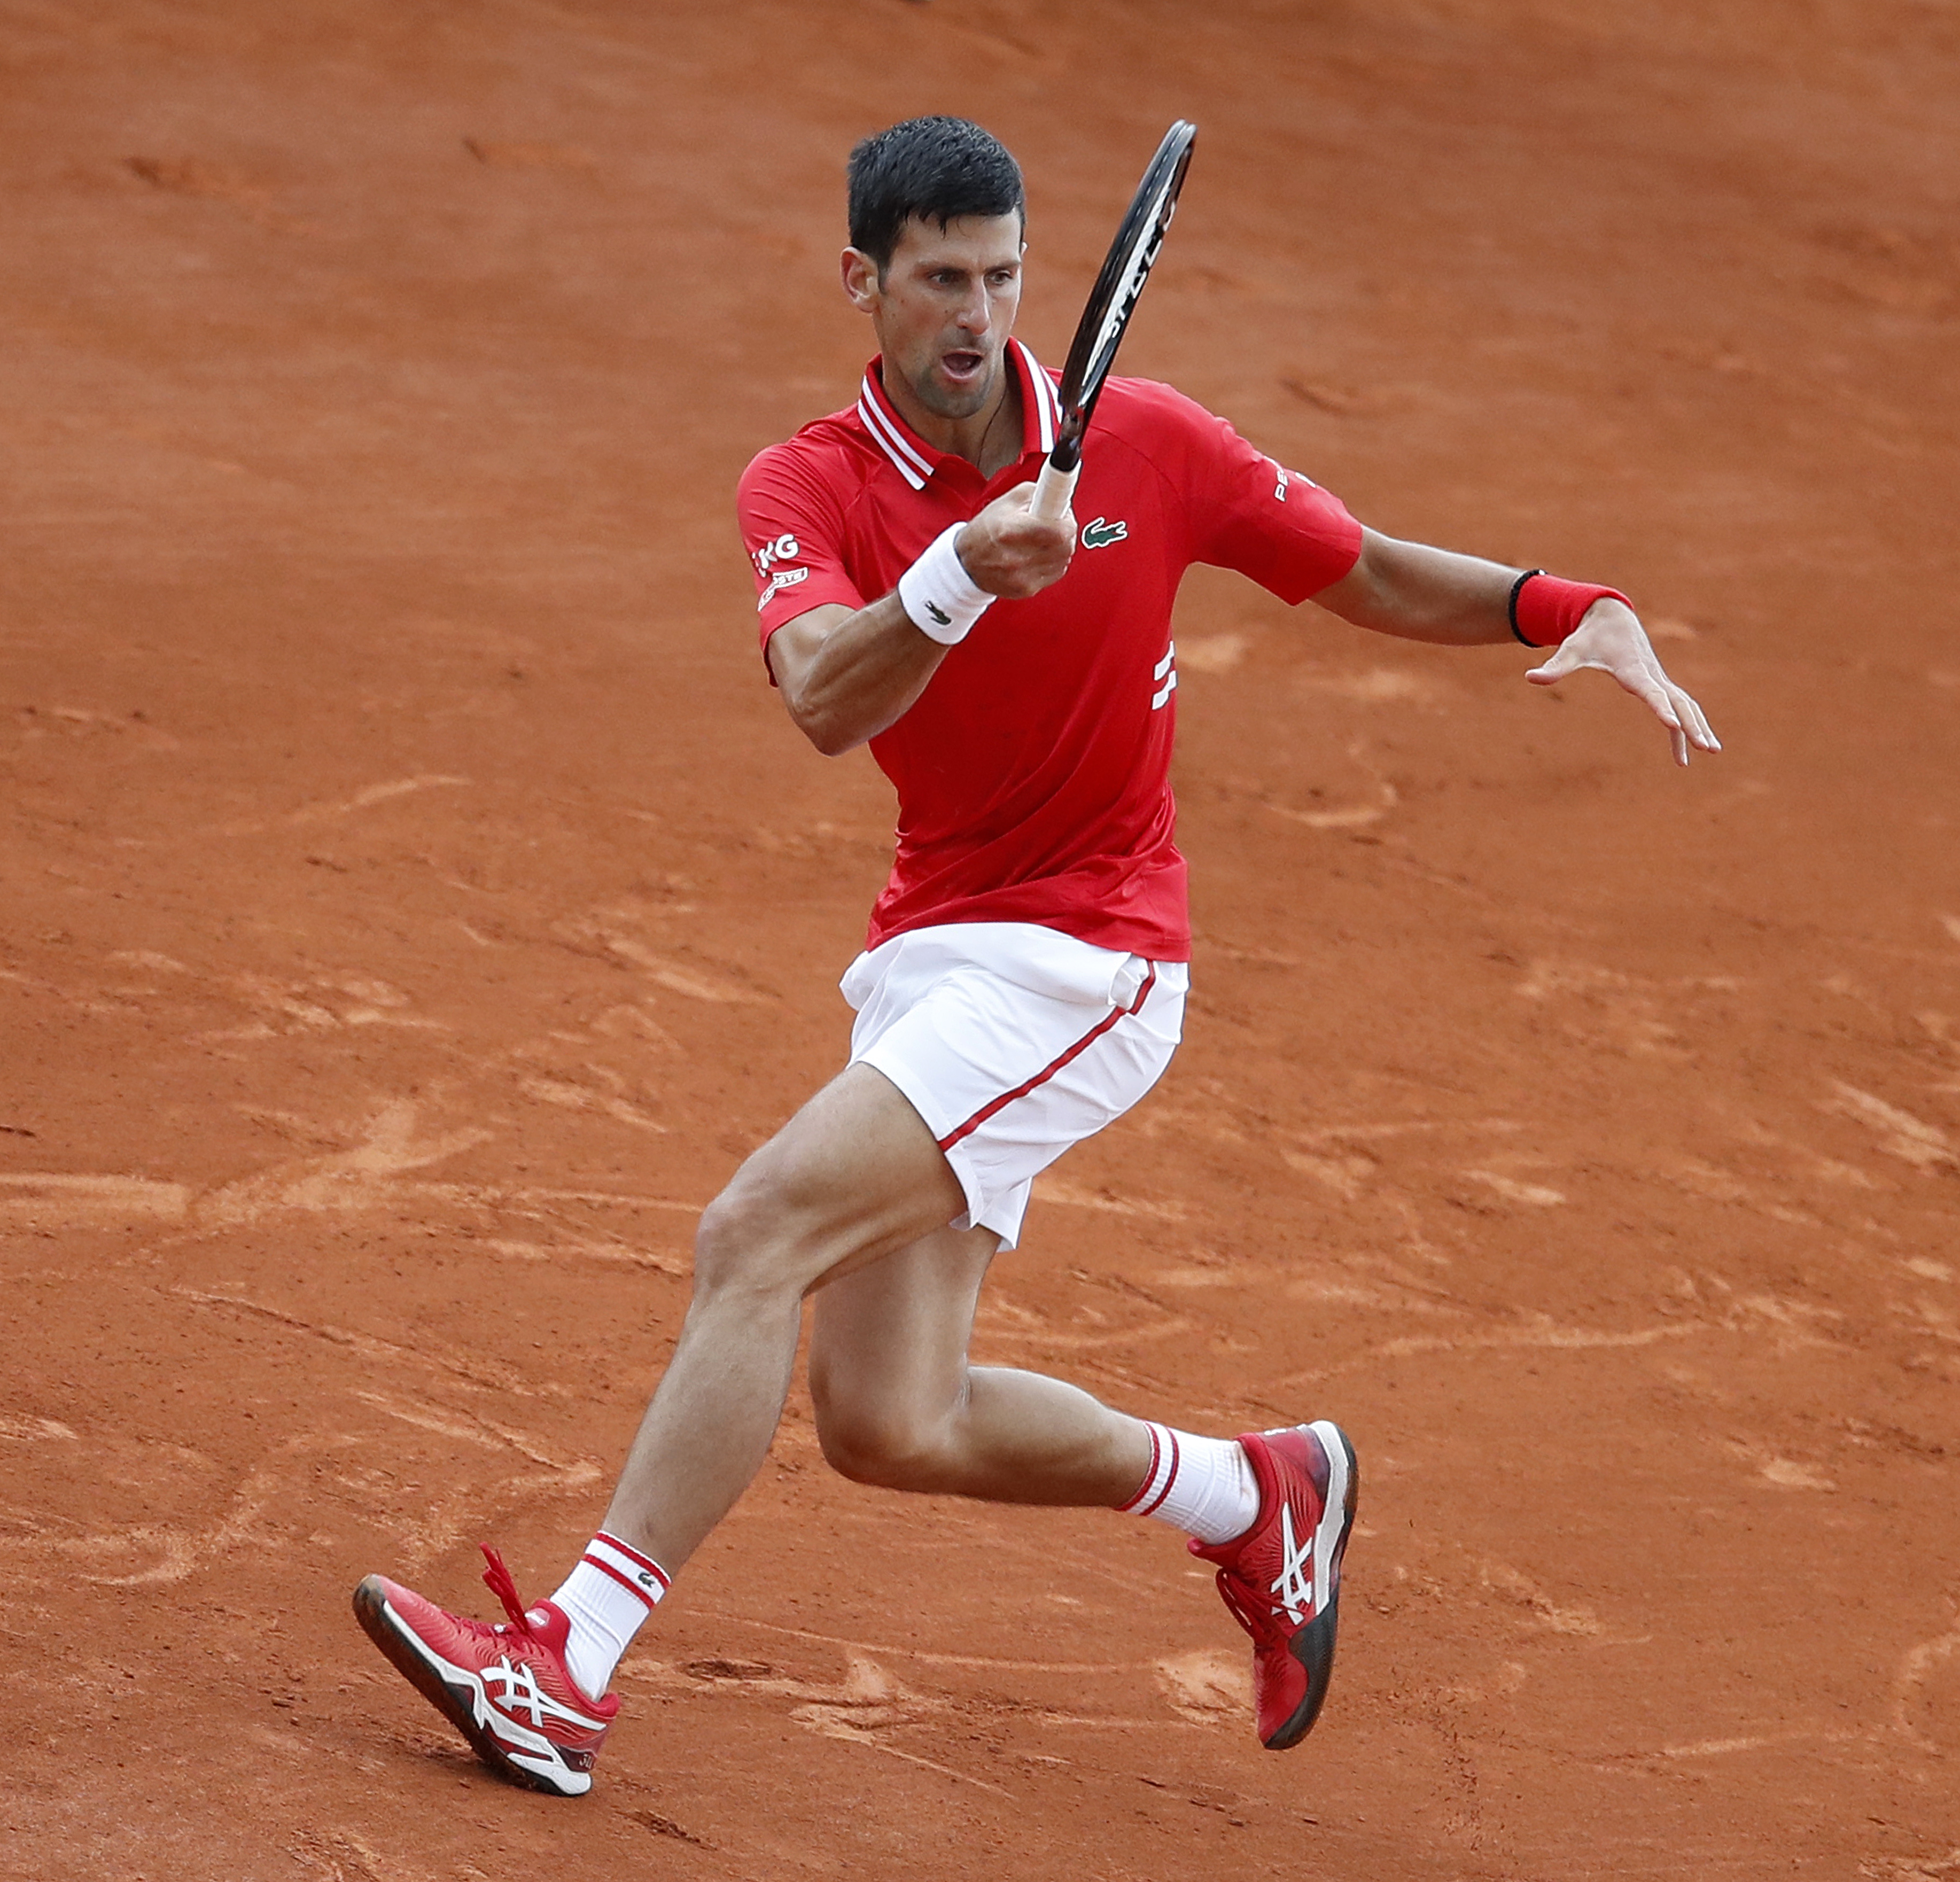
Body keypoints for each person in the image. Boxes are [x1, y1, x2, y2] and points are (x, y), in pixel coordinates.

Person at [352, 114, 1719, 1798]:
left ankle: (565, 1664)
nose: (977, 314)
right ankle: (1254, 1492)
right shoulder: (806, 484)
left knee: (755, 1228)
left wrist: (1565, 604)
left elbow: (1356, 568)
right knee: (888, 1420)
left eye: (1002, 278)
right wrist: (949, 584)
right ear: (863, 282)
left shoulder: (1145, 443)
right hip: (935, 952)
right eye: (939, 279)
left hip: (1092, 955)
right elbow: (821, 700)